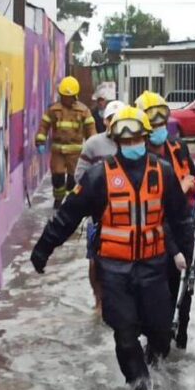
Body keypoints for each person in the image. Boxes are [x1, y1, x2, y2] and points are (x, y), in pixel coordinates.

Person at [30, 106, 193, 390]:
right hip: (115, 270)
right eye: (125, 141)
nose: (132, 146)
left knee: (161, 333)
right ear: (116, 141)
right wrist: (43, 249)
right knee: (125, 333)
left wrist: (188, 256)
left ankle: (153, 369)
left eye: (136, 140)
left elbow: (181, 218)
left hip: (154, 267)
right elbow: (68, 216)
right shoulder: (98, 177)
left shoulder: (163, 173)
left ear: (144, 138)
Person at [135, 91, 195, 349]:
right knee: (159, 300)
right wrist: (179, 189)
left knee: (185, 293)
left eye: (163, 121)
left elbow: (193, 176)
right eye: (154, 122)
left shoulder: (178, 147)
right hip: (157, 238)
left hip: (183, 230)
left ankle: (180, 339)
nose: (160, 127)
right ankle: (156, 348)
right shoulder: (138, 159)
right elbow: (151, 202)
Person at [75, 100, 126, 315]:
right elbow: (79, 176)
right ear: (105, 120)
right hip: (99, 214)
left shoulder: (134, 143)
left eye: (120, 119)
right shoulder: (93, 144)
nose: (115, 124)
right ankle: (99, 301)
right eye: (111, 119)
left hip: (127, 213)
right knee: (95, 260)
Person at [35, 76, 97, 209]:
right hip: (58, 151)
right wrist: (40, 140)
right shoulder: (54, 110)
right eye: (64, 96)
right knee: (57, 177)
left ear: (75, 96)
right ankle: (58, 200)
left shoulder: (83, 110)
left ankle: (70, 202)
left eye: (68, 96)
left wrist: (94, 146)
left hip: (75, 153)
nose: (66, 99)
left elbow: (91, 129)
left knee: (72, 179)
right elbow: (44, 125)